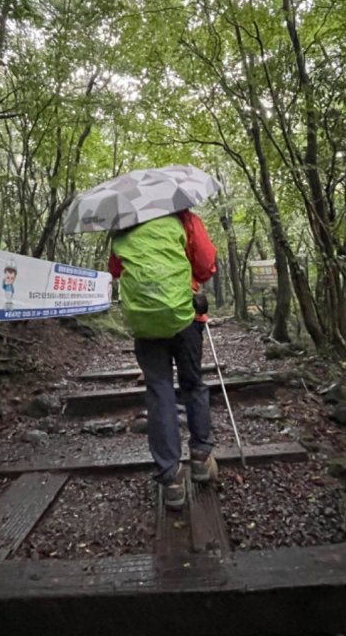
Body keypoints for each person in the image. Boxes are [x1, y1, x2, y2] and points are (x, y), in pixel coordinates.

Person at [108, 209, 218, 509]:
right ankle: (200, 458)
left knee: (159, 391)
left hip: (145, 322)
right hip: (185, 315)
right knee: (193, 384)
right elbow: (207, 264)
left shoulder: (123, 226)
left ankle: (171, 478)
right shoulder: (185, 218)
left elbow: (116, 270)